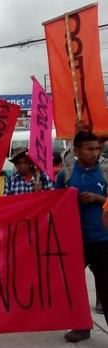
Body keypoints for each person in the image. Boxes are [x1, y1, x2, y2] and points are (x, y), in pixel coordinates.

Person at [55, 131, 108, 343]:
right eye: (89, 149)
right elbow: (55, 203)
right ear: (76, 151)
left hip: (103, 239)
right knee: (74, 286)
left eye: (97, 148)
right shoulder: (65, 175)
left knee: (106, 287)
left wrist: (99, 198)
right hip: (74, 240)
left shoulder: (105, 172)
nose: (95, 153)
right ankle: (81, 326)